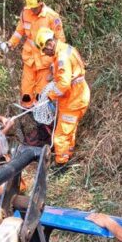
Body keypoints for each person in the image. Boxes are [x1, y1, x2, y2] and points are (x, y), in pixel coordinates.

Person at [0, 0, 65, 108]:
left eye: (35, 8)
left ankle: (42, 121)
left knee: (42, 94)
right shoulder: (25, 13)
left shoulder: (52, 17)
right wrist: (10, 43)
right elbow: (19, 31)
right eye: (31, 7)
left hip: (45, 62)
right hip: (29, 60)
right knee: (26, 92)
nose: (33, 10)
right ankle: (27, 114)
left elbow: (60, 40)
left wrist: (55, 62)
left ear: (41, 2)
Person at [36, 28, 90, 166]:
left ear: (49, 44)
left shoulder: (62, 57)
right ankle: (68, 155)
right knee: (69, 131)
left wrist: (50, 97)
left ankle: (61, 164)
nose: (45, 54)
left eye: (45, 50)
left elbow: (64, 84)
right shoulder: (65, 49)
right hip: (76, 97)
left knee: (60, 136)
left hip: (74, 100)